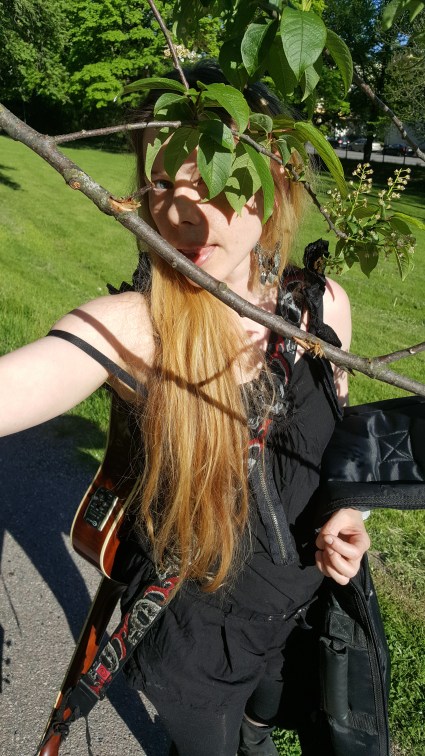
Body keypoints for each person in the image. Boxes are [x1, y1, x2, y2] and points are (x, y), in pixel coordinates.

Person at [0, 62, 370, 755]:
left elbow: (339, 435)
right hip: (200, 636)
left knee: (265, 718)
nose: (180, 214)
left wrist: (351, 512)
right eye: (164, 185)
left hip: (299, 596)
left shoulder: (322, 308)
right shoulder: (140, 329)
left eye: (216, 182)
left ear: (274, 182)